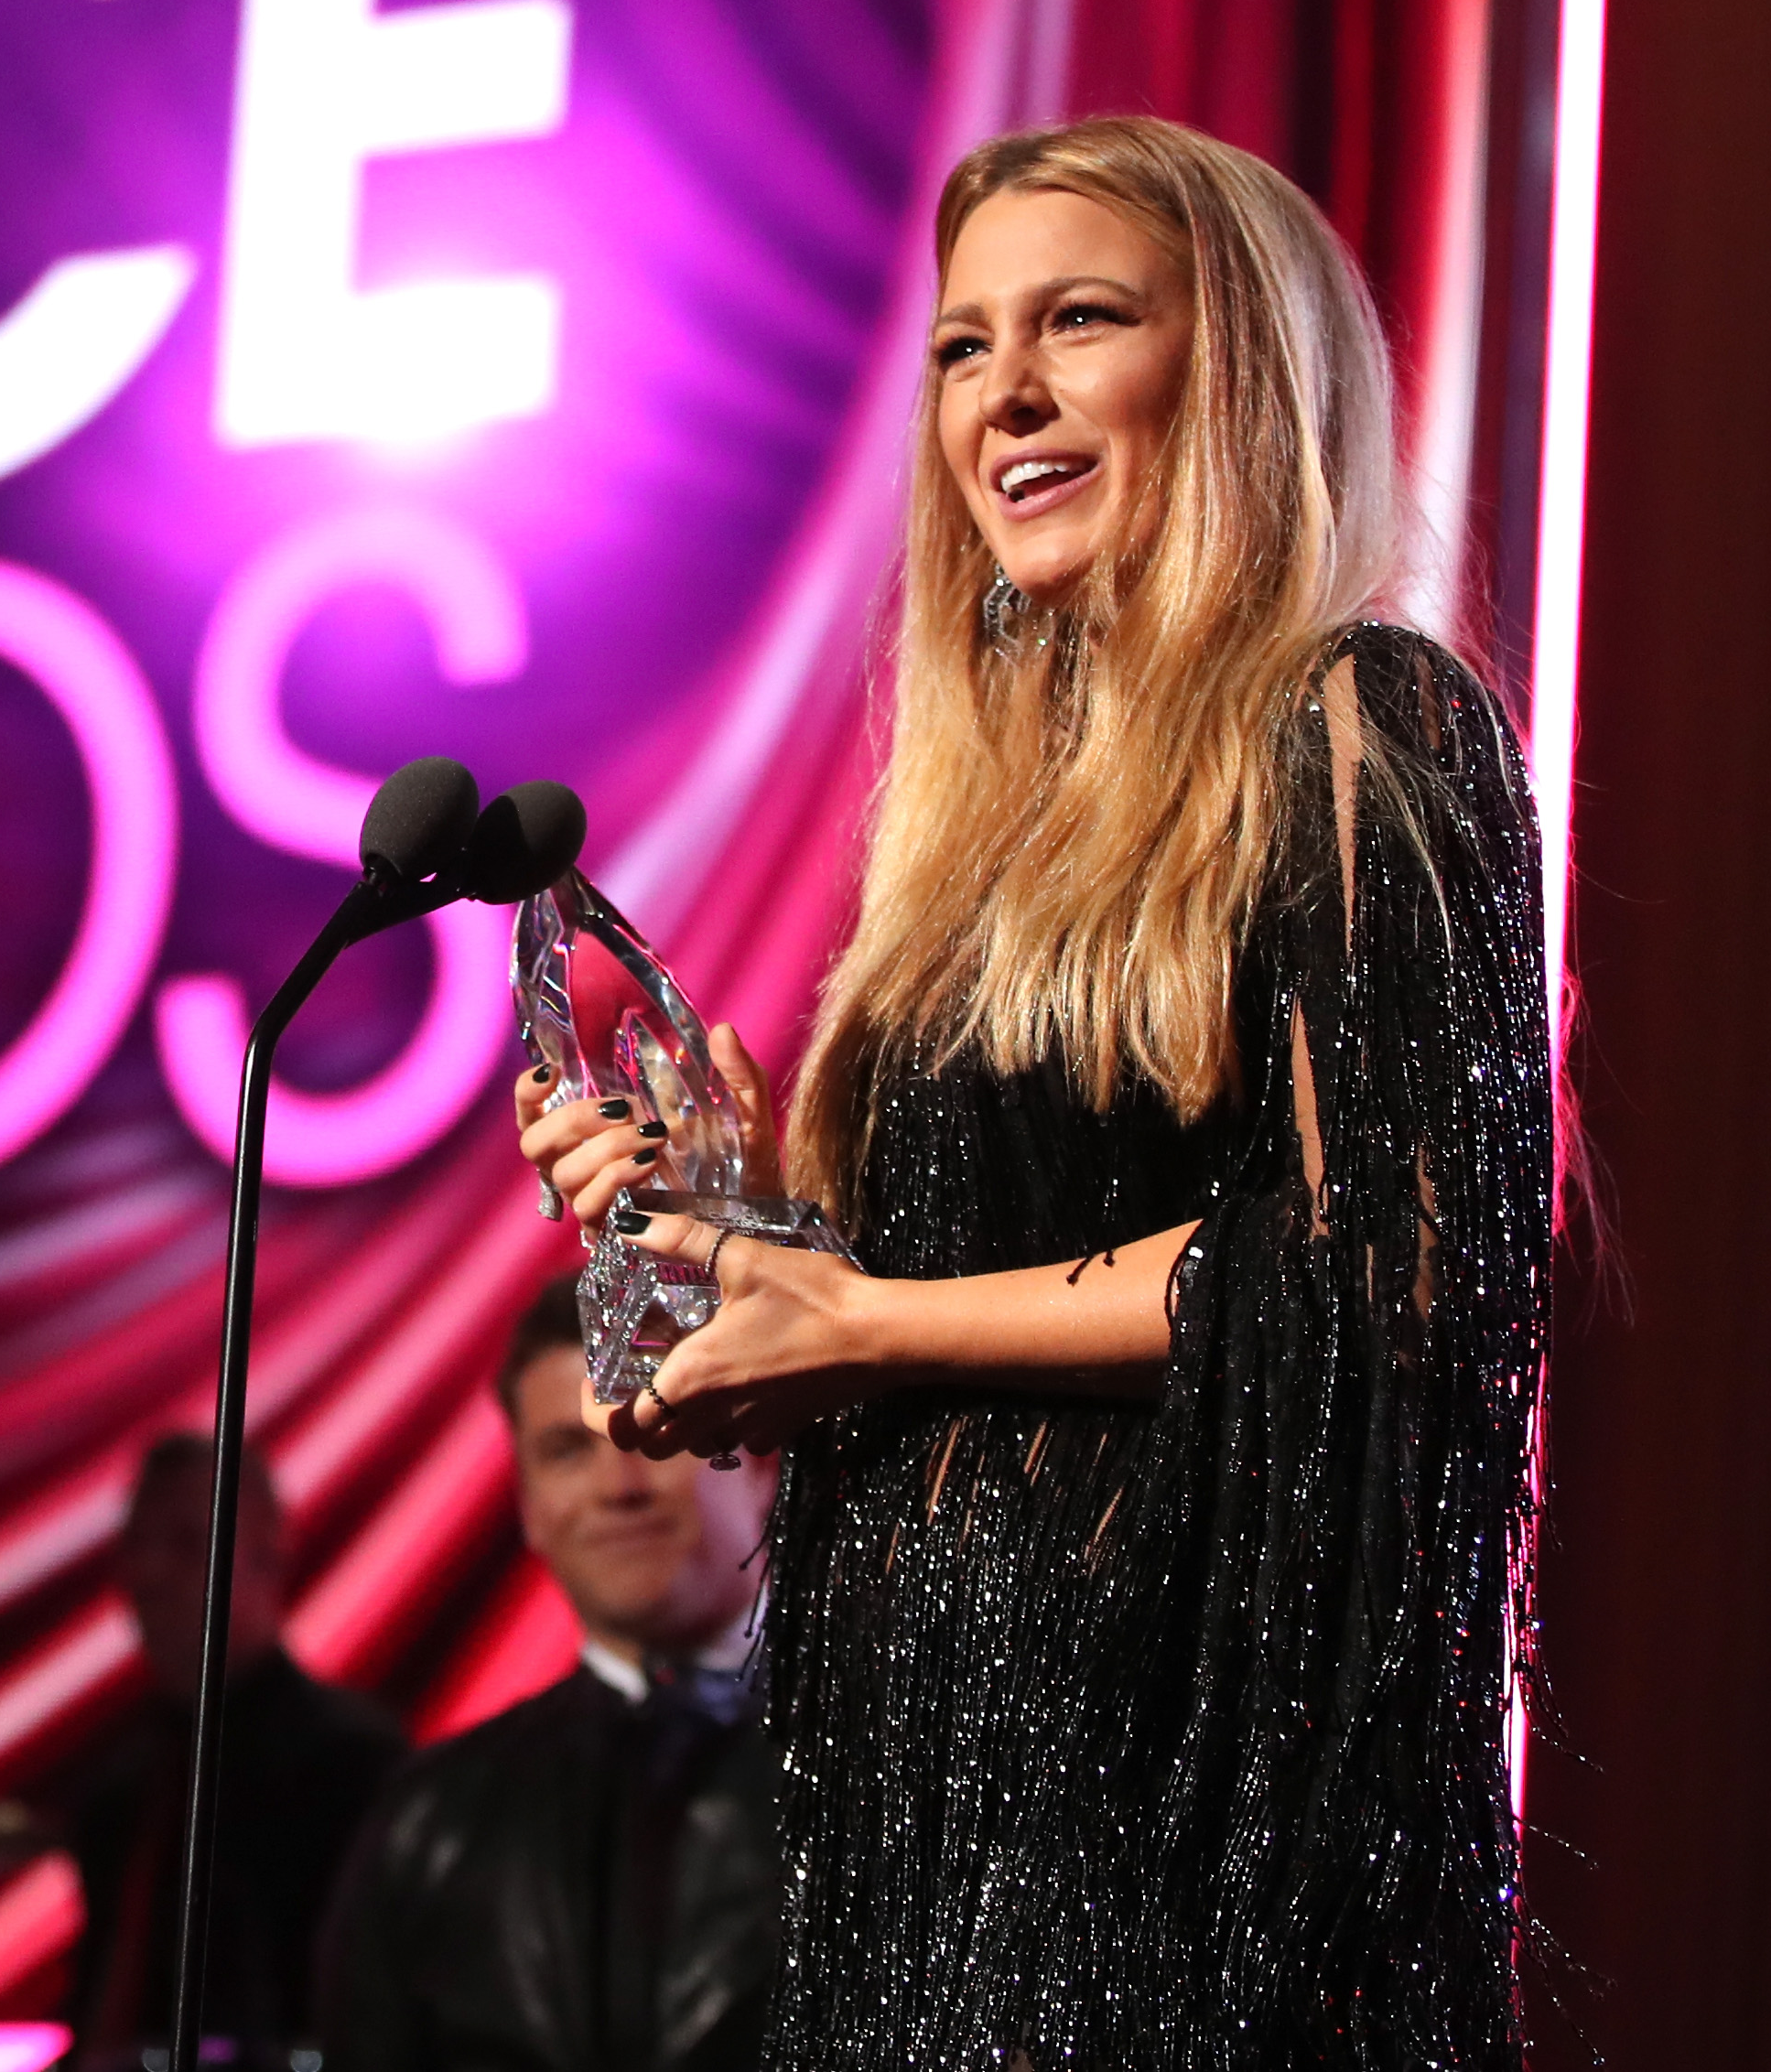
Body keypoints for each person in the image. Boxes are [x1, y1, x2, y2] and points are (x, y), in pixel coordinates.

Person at [518, 117, 1553, 2068]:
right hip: (927, 1850)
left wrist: (869, 1317)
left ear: (1236, 364)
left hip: (1183, 1857)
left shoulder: (1356, 725)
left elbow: (1370, 1271)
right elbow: (978, 1321)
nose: (1000, 391)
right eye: (957, 343)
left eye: (1076, 319)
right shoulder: (963, 856)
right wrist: (741, 1238)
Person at [315, 1282, 778, 2072]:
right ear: (527, 1505)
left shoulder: (908, 1774)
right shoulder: (425, 1824)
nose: (617, 1486)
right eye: (567, 1448)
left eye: (655, 1434)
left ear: (763, 1459)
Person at [61, 1434, 401, 2067]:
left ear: (269, 1555)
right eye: (137, 1542)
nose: (149, 1573)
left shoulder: (350, 1766)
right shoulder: (116, 1782)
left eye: (188, 1542)